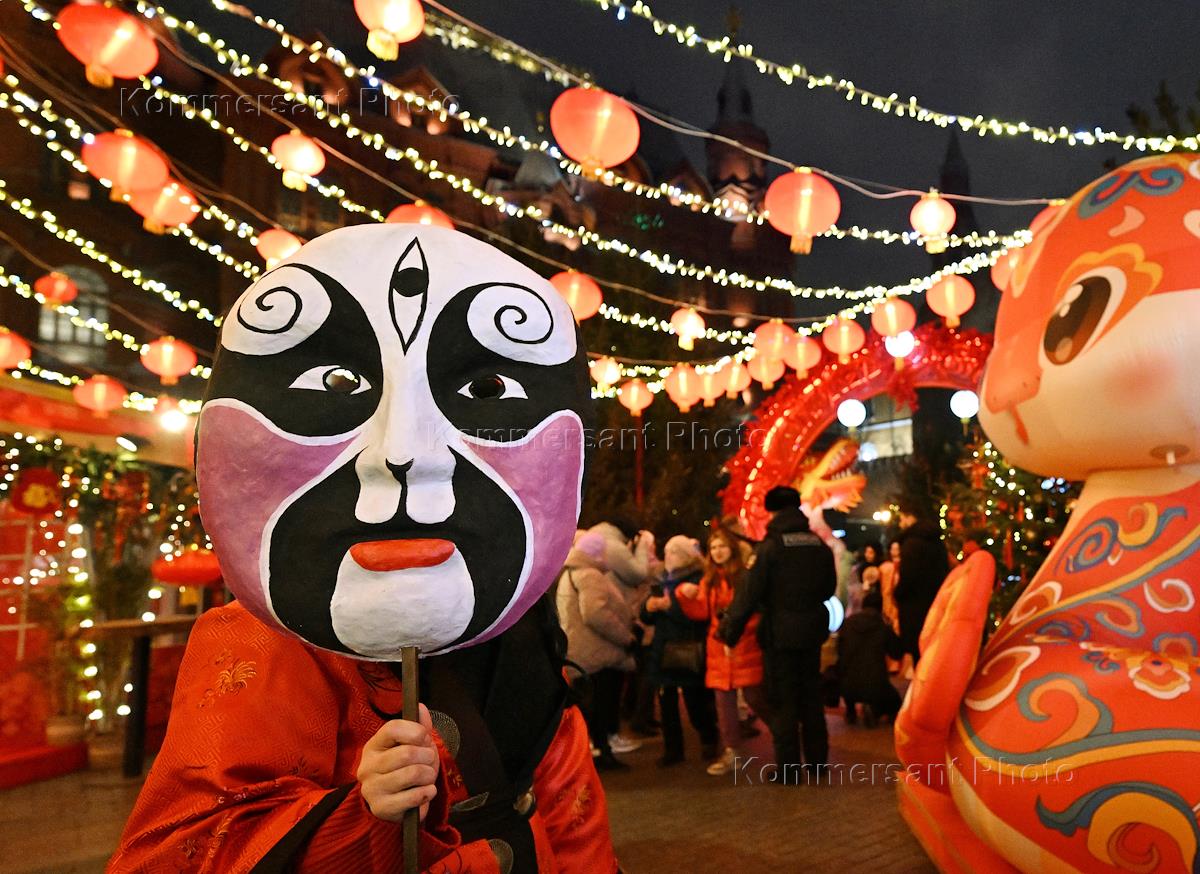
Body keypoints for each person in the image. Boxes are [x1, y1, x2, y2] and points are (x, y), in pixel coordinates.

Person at [111, 225, 617, 871]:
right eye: (334, 384)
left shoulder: (523, 630)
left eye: (487, 390)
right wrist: (360, 813)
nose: (402, 453)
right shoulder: (259, 644)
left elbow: (570, 808)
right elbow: (186, 846)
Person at [718, 486, 838, 784]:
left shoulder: (770, 548)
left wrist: (729, 631)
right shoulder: (819, 545)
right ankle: (818, 762)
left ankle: (789, 769)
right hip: (812, 632)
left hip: (780, 634)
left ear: (772, 512)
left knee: (783, 701)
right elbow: (828, 588)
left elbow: (749, 593)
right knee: (811, 697)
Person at [675, 529, 770, 776]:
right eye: (714, 547)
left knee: (755, 697)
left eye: (722, 546)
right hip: (718, 647)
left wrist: (737, 633)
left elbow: (753, 612)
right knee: (724, 703)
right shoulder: (710, 579)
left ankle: (784, 735)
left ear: (732, 549)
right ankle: (732, 751)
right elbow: (701, 612)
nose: (717, 552)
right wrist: (684, 595)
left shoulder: (745, 577)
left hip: (744, 644)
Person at [557, 531, 638, 771]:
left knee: (591, 706)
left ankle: (597, 750)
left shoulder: (570, 573)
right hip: (598, 652)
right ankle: (603, 752)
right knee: (602, 704)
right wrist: (626, 637)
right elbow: (596, 614)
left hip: (581, 652)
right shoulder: (589, 575)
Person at [641, 536, 719, 767]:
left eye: (674, 552)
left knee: (695, 702)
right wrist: (649, 607)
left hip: (688, 648)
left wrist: (671, 607)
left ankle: (709, 736)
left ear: (686, 556)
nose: (668, 557)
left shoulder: (699, 579)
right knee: (667, 704)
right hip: (663, 649)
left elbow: (699, 615)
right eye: (666, 551)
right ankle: (673, 749)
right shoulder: (662, 579)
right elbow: (647, 616)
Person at [588, 518, 658, 745]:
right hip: (613, 627)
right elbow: (638, 573)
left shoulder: (597, 550)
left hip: (611, 627)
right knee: (608, 686)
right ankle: (608, 738)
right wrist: (642, 547)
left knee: (609, 686)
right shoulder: (610, 548)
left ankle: (607, 737)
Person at [837, 588, 903, 727]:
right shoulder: (882, 626)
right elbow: (897, 653)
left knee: (851, 676)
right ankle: (875, 710)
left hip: (846, 684)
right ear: (880, 608)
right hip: (876, 684)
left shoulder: (847, 624)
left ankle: (851, 711)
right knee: (895, 702)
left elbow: (839, 651)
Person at [894, 505, 950, 664]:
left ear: (911, 517)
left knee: (917, 652)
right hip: (934, 603)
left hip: (914, 606)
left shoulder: (911, 544)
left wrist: (897, 593)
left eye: (902, 519)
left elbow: (908, 576)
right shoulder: (937, 542)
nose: (900, 524)